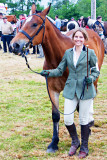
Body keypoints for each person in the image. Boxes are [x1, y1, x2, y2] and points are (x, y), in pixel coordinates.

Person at [40, 28, 100, 159]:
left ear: (84, 39)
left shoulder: (90, 53)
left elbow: (96, 70)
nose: (78, 39)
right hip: (71, 89)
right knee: (67, 119)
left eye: (80, 37)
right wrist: (48, 72)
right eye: (76, 37)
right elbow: (60, 70)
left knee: (84, 120)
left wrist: (92, 78)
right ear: (73, 39)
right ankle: (75, 141)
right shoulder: (68, 53)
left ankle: (84, 146)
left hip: (85, 88)